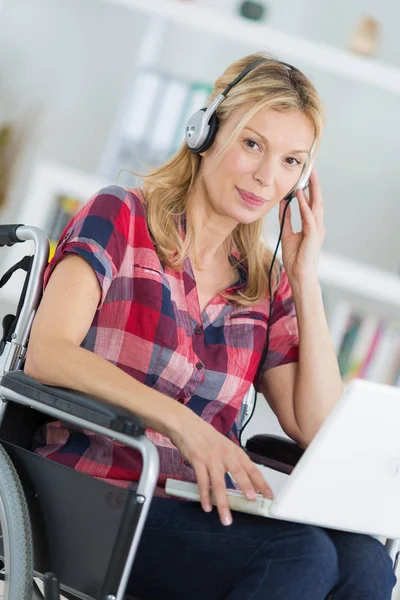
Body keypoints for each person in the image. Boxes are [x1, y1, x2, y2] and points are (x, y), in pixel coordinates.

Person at [25, 52, 395, 599]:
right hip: (96, 497)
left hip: (201, 509)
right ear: (206, 131)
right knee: (300, 556)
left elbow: (315, 427)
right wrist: (185, 425)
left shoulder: (266, 281)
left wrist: (304, 275)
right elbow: (48, 353)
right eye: (253, 144)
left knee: (364, 562)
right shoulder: (120, 214)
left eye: (292, 162)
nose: (268, 178)